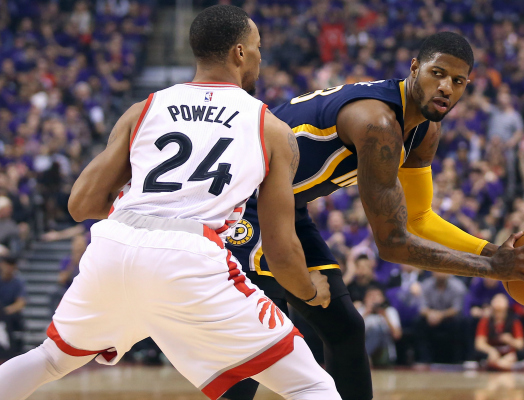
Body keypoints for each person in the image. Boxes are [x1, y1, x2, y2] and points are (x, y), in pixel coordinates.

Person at [0, 6, 340, 400]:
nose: (261, 57)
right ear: (240, 53)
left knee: (50, 360)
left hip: (116, 242)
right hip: (190, 254)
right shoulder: (271, 128)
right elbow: (280, 250)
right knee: (309, 384)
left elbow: (80, 205)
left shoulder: (145, 108)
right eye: (258, 47)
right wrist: (311, 291)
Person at [225, 31, 524, 400]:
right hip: (243, 200)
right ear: (415, 68)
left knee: (346, 329)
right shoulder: (378, 124)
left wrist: (491, 252)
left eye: (458, 81)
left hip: (288, 205)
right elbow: (393, 244)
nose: (446, 87)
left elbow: (419, 218)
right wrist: (492, 269)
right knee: (257, 336)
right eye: (438, 73)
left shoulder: (425, 130)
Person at [414, 272, 468, 363]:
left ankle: (457, 360)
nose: (440, 274)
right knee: (418, 322)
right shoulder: (426, 285)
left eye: (443, 271)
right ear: (433, 272)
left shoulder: (458, 286)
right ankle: (424, 360)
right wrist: (431, 314)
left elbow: (456, 309)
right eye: (438, 271)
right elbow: (422, 308)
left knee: (462, 322)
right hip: (430, 317)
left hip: (449, 318)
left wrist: (440, 315)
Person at [474, 293, 524, 371]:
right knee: (478, 354)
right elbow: (479, 344)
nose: (498, 302)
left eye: (501, 300)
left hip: (509, 355)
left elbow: (520, 344)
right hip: (492, 354)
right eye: (496, 300)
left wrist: (510, 340)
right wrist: (491, 351)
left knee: (521, 354)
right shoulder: (485, 321)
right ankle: (500, 364)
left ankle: (499, 364)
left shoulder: (514, 321)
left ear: (507, 304)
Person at [358, 286, 402, 366]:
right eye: (371, 296)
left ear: (383, 298)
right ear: (365, 298)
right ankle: (366, 356)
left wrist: (385, 317)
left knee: (378, 330)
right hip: (362, 346)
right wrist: (365, 314)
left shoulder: (390, 311)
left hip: (384, 353)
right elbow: (351, 334)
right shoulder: (360, 311)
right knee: (373, 330)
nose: (374, 299)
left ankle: (363, 358)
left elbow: (397, 335)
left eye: (377, 296)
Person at [0, 256, 26, 359]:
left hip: (9, 315)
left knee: (10, 319)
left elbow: (21, 303)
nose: (8, 268)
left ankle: (9, 354)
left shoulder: (18, 282)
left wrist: (5, 311)